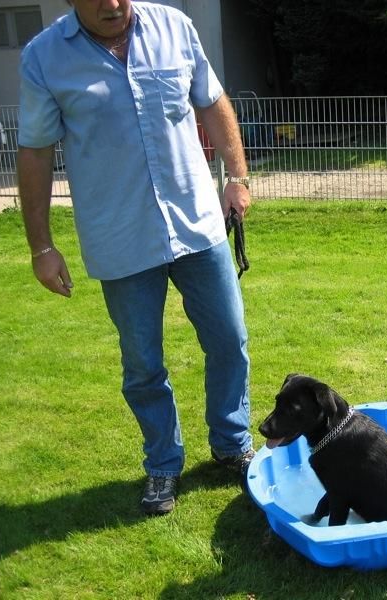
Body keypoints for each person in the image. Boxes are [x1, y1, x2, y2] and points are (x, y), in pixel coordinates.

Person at [17, 0, 254, 516]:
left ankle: (232, 445)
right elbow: (34, 151)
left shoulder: (174, 27)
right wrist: (41, 246)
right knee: (144, 365)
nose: (112, 5)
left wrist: (236, 177)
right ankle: (163, 464)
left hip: (197, 226)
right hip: (120, 239)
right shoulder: (44, 57)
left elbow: (212, 101)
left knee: (229, 340)